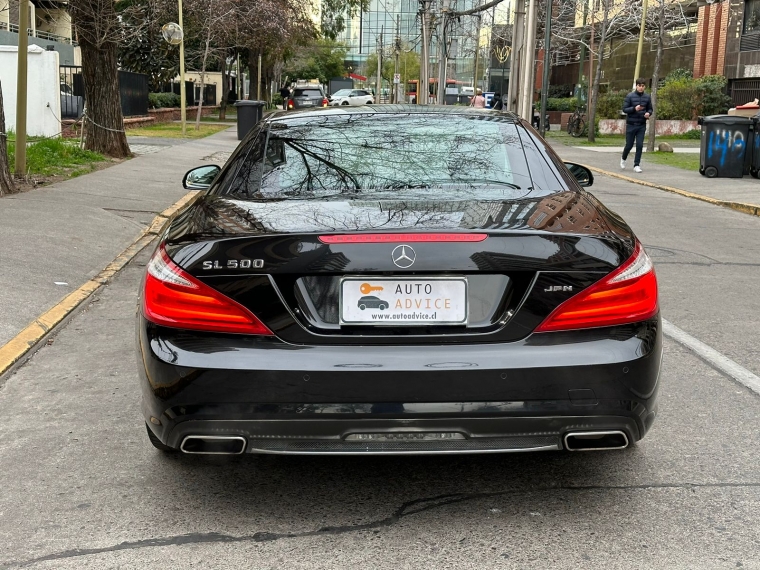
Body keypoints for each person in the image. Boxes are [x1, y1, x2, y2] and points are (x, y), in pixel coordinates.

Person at [621, 79, 653, 173]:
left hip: (641, 125)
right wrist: (634, 109)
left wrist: (648, 113)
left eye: (643, 86)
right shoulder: (630, 96)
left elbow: (650, 109)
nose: (641, 87)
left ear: (645, 87)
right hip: (631, 124)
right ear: (636, 86)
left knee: (639, 145)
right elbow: (625, 109)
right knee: (629, 145)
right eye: (639, 85)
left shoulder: (647, 97)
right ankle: (623, 158)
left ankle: (636, 165)